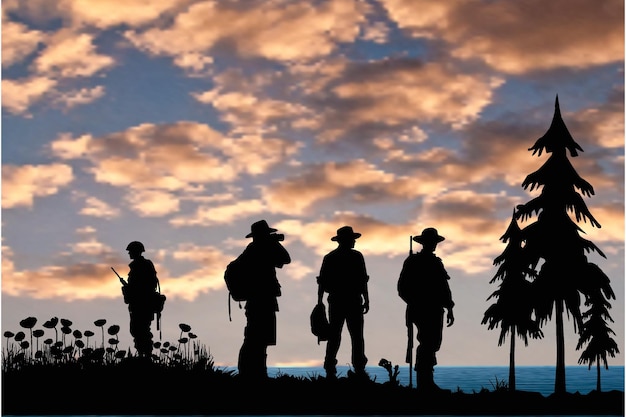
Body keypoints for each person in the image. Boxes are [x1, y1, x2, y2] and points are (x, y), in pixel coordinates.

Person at [397, 227, 454, 392]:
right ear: (424, 243)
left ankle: (427, 381)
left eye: (434, 242)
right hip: (421, 309)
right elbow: (402, 288)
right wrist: (415, 302)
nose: (433, 245)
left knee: (433, 343)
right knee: (427, 342)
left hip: (436, 309)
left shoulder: (436, 263)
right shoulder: (413, 262)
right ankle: (424, 382)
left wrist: (449, 307)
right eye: (431, 242)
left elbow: (444, 288)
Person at [237, 220, 291, 380]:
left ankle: (257, 372)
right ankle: (252, 373)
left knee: (260, 338)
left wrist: (272, 243)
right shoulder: (255, 250)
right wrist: (273, 242)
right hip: (260, 299)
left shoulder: (256, 249)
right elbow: (285, 259)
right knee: (255, 338)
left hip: (262, 299)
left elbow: (285, 259)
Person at [317, 226, 370, 380]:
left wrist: (320, 301)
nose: (354, 241)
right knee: (354, 336)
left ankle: (331, 369)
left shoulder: (331, 257)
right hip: (349, 300)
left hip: (340, 300)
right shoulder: (355, 257)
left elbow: (322, 281)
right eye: (352, 239)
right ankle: (357, 369)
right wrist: (366, 298)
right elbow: (362, 280)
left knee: (338, 336)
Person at [124, 241, 158, 358]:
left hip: (142, 303)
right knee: (137, 330)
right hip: (139, 303)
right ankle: (142, 354)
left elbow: (145, 286)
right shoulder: (140, 266)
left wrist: (130, 289)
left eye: (130, 251)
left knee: (141, 330)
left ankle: (145, 355)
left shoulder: (141, 266)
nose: (129, 254)